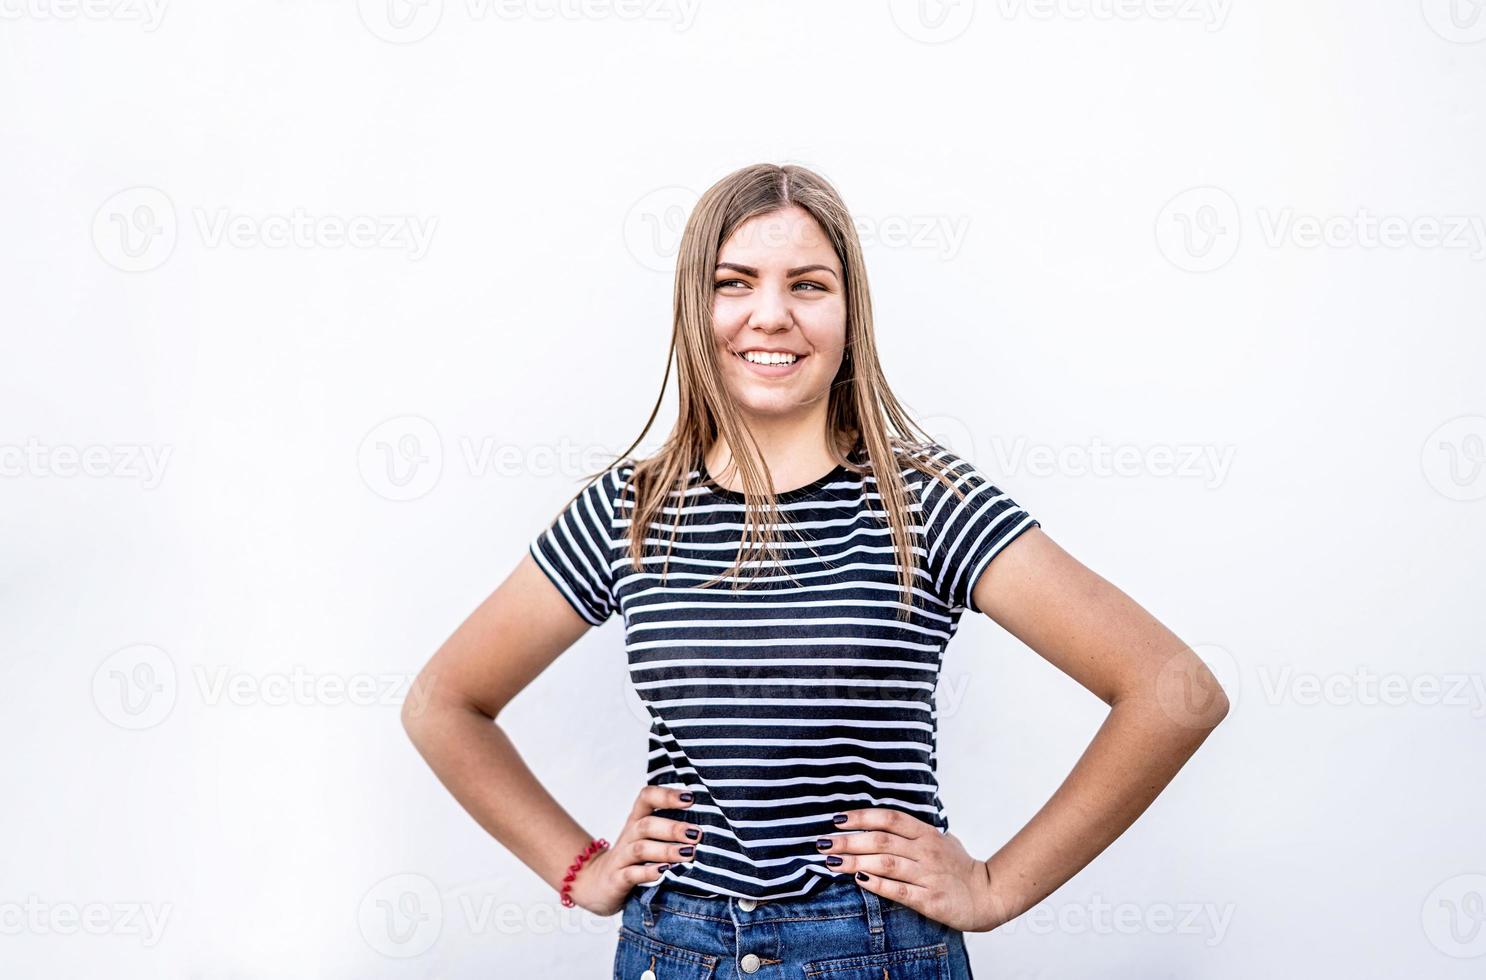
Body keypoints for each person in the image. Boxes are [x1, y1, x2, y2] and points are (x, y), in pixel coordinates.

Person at [401, 163, 1230, 978]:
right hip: (676, 950)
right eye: (735, 282)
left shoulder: (924, 503)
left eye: (807, 285)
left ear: (849, 312)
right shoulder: (632, 511)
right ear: (696, 306)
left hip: (874, 948)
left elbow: (1172, 688)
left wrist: (994, 885)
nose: (771, 316)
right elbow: (444, 703)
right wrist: (579, 868)